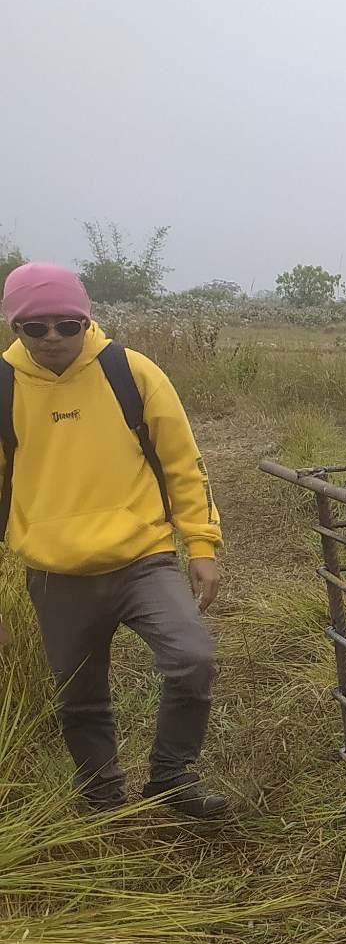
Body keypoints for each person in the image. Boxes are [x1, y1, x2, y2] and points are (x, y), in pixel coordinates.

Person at [0, 263, 229, 818]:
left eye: (66, 323)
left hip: (141, 560)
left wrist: (201, 545)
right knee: (80, 698)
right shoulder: (4, 386)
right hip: (56, 574)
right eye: (35, 327)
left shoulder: (131, 371)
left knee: (191, 659)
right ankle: (102, 801)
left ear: (86, 319)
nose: (53, 337)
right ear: (14, 327)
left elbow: (182, 464)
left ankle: (172, 779)